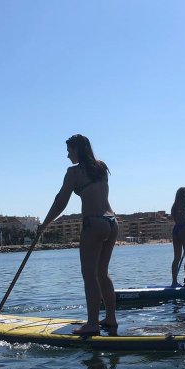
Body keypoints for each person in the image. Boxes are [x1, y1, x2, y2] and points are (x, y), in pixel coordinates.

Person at [40, 134, 118, 336]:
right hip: (112, 222)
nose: (67, 155)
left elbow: (61, 201)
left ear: (77, 150)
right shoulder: (101, 166)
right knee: (103, 273)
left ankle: (92, 323)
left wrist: (45, 225)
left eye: (69, 151)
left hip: (94, 224)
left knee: (89, 275)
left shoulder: (74, 172)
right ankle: (110, 318)